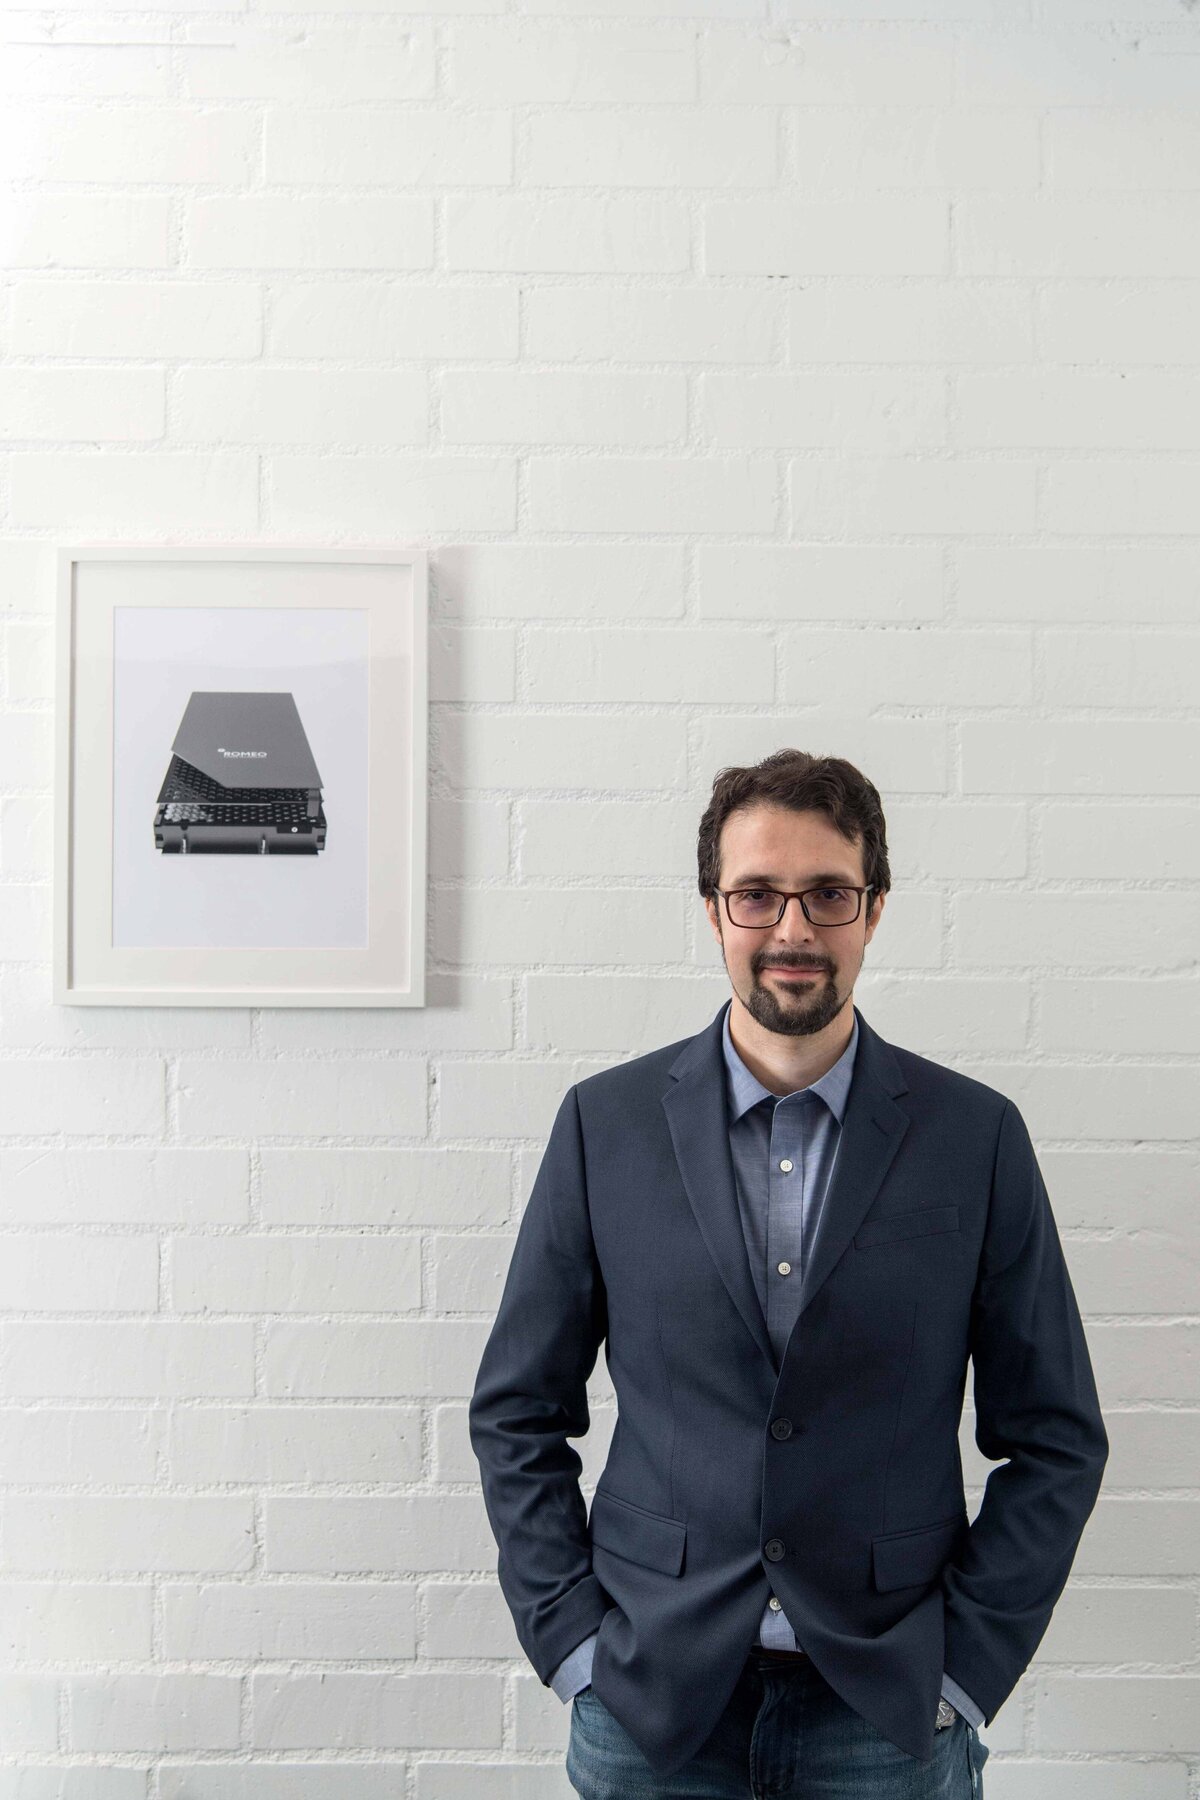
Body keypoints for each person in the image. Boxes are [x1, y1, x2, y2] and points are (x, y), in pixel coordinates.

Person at [469, 749, 1108, 1798]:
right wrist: (575, 1648)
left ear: (874, 908)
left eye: (828, 895)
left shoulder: (974, 1138)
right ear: (715, 911)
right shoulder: (606, 1126)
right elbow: (516, 1411)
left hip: (890, 1705)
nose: (794, 929)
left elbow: (1057, 1434)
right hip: (651, 1703)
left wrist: (966, 1671)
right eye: (758, 894)